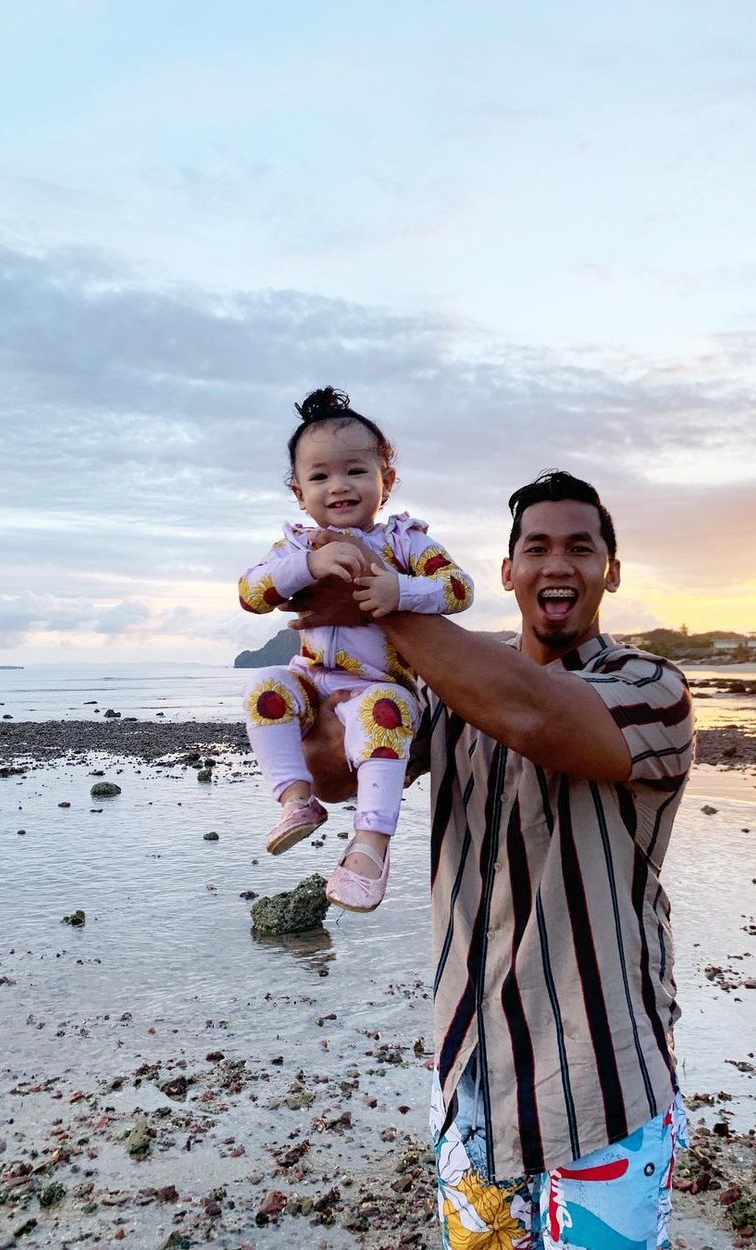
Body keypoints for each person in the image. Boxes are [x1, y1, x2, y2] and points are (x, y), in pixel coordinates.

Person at [296, 469, 695, 1249]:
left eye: (580, 548)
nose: (557, 565)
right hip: (468, 1070)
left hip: (601, 1081)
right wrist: (314, 675)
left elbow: (537, 716)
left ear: (611, 571)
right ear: (507, 572)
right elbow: (336, 774)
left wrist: (382, 597)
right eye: (536, 548)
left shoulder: (653, 688)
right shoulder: (447, 691)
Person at [238, 386, 474, 912]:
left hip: (380, 685)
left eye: (356, 471)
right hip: (311, 679)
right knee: (264, 689)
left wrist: (400, 590)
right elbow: (250, 592)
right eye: (319, 476)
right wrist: (309, 567)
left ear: (385, 482)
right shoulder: (297, 546)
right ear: (299, 492)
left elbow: (460, 589)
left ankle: (371, 844)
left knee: (381, 715)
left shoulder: (405, 542)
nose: (338, 486)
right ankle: (296, 800)